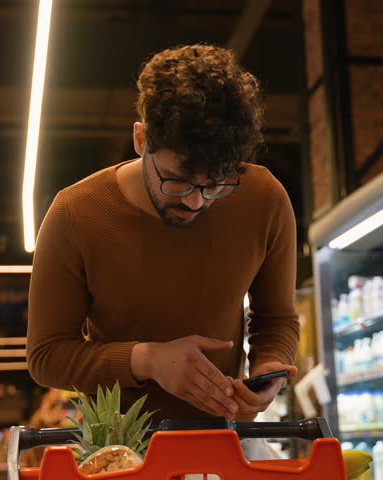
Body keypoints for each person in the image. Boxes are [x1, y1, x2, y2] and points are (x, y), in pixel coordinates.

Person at [26, 44, 299, 422]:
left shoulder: (263, 199)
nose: (196, 202)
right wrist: (147, 360)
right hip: (118, 452)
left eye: (215, 185)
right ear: (141, 140)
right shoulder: (75, 213)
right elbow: (46, 356)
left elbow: (277, 319)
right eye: (177, 181)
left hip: (224, 440)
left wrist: (270, 367)